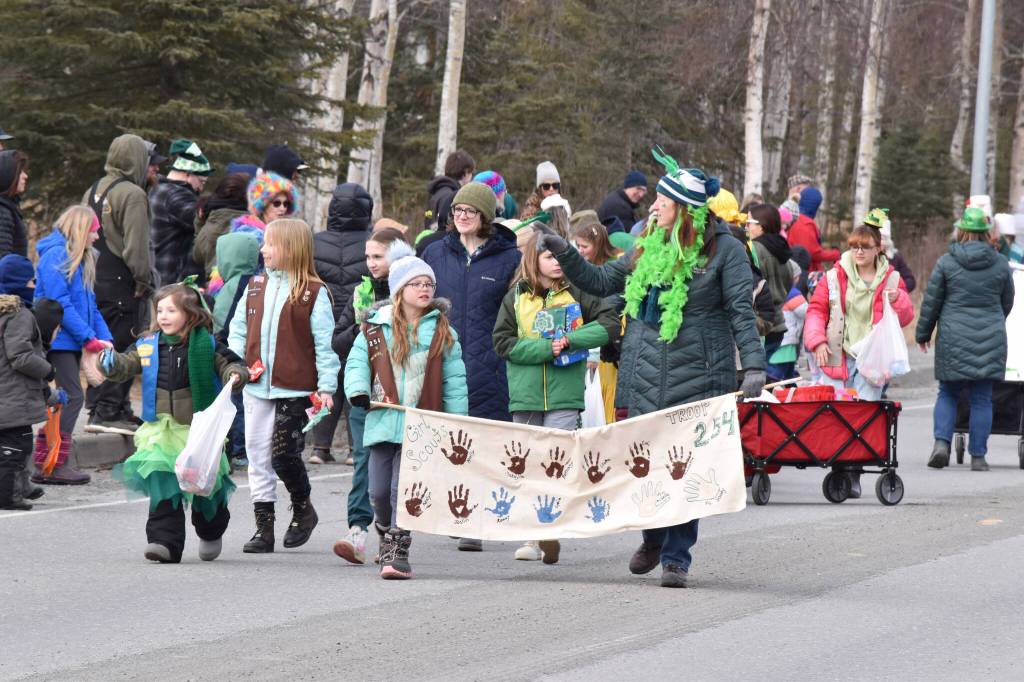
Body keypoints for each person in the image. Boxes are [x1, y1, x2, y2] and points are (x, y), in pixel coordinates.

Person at [535, 148, 766, 588]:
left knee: (685, 467)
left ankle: (677, 556)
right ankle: (654, 537)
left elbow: (740, 310)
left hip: (698, 372)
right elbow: (603, 282)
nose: (654, 206)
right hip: (642, 372)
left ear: (683, 209)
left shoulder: (726, 252)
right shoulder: (645, 245)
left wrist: (753, 365)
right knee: (644, 462)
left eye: (663, 201)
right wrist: (565, 252)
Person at [493, 232, 619, 563]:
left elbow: (609, 324)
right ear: (533, 260)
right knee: (528, 465)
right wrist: (544, 349)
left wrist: (572, 340)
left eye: (562, 257)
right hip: (526, 395)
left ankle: (546, 529)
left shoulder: (579, 292)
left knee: (554, 461)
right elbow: (503, 342)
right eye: (550, 257)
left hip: (565, 395)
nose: (557, 263)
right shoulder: (516, 297)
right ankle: (531, 537)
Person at [101, 283, 247, 563]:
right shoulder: (146, 345)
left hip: (197, 430)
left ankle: (211, 529)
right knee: (163, 484)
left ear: (190, 314)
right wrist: (110, 365)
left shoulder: (207, 344)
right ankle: (164, 542)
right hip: (160, 430)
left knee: (205, 489)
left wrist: (235, 375)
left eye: (171, 310)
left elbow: (231, 364)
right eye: (160, 310)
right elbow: (125, 365)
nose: (164, 316)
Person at [344, 256, 467, 579]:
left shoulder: (443, 331)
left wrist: (457, 423)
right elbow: (357, 363)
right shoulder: (374, 329)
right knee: (378, 492)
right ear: (400, 289)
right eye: (417, 283)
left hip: (422, 424)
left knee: (404, 489)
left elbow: (454, 381)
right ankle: (385, 530)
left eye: (429, 284)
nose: (425, 289)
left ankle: (398, 549)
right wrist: (357, 390)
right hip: (384, 419)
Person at [227, 219, 340, 554]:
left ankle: (303, 508)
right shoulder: (255, 286)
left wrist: (326, 387)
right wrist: (236, 364)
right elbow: (238, 329)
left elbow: (324, 346)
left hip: (296, 388)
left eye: (270, 244)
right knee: (257, 454)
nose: (263, 250)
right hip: (256, 383)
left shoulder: (313, 293)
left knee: (283, 454)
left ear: (291, 249)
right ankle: (264, 527)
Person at [422, 181, 520, 552]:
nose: (462, 216)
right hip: (443, 358)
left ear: (485, 218)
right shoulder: (434, 253)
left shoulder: (508, 258)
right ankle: (452, 509)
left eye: (470, 211)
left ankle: (475, 520)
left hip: (489, 362)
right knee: (447, 441)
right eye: (458, 211)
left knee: (481, 445)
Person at [803, 225, 914, 495]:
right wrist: (816, 341)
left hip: (873, 356)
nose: (859, 252)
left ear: (878, 249)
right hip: (837, 353)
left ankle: (853, 473)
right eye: (854, 246)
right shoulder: (834, 276)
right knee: (837, 415)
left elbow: (907, 315)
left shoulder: (891, 278)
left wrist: (898, 298)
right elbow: (816, 310)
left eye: (865, 247)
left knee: (863, 415)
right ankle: (840, 468)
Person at [330, 228, 412, 565]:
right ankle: (358, 529)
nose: (371, 263)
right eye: (368, 257)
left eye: (378, 256)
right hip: (367, 396)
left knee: (396, 471)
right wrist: (360, 328)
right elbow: (338, 341)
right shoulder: (360, 292)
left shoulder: (412, 296)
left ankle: (391, 535)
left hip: (403, 397)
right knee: (364, 461)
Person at [917, 207, 1015, 472]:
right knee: (982, 398)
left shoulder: (946, 262)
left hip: (953, 336)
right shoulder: (1000, 264)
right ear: (986, 234)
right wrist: (992, 321)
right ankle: (979, 456)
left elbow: (931, 303)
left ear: (960, 230)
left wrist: (923, 334)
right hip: (990, 335)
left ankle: (941, 444)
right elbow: (1008, 302)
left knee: (948, 392)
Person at [33, 206, 116, 484]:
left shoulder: (80, 259)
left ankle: (48, 460)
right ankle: (55, 463)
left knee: (66, 397)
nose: (96, 236)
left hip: (71, 337)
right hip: (59, 338)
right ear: (81, 229)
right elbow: (60, 304)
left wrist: (105, 337)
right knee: (71, 396)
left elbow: (90, 304)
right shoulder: (57, 255)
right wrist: (88, 338)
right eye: (93, 230)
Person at [82, 134, 153, 435]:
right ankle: (109, 410)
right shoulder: (133, 194)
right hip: (124, 280)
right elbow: (137, 246)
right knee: (125, 344)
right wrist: (144, 280)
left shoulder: (92, 190)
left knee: (103, 343)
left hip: (96, 276)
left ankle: (104, 406)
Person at [310, 182, 374, 464]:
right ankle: (352, 449)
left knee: (327, 380)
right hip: (358, 322)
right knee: (356, 378)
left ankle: (320, 448)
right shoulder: (372, 244)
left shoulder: (316, 241)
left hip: (324, 320)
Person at [0, 291, 62, 510]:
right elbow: (20, 357)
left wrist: (49, 394)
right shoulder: (21, 316)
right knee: (17, 446)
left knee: (13, 445)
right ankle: (8, 496)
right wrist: (49, 371)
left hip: (10, 396)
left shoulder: (10, 316)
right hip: (11, 400)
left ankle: (21, 487)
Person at [211, 232, 261, 470]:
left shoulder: (234, 285)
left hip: (233, 351)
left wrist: (215, 340)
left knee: (235, 401)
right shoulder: (256, 280)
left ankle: (239, 449)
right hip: (252, 349)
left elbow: (222, 319)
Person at [150, 139, 214, 288]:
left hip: (160, 277)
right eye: (201, 181)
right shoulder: (178, 196)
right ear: (188, 174)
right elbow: (200, 219)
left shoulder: (158, 188)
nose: (201, 188)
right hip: (173, 284)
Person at [747, 204, 796, 380]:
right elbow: (792, 277)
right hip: (778, 322)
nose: (746, 226)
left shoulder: (755, 249)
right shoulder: (782, 249)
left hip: (759, 322)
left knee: (755, 380)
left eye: (749, 222)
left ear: (761, 225)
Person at [192, 173, 251, 280]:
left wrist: (200, 223)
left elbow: (198, 255)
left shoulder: (211, 220)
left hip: (213, 285)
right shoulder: (253, 227)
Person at [418, 150, 475, 256]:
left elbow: (428, 215)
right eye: (471, 173)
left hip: (430, 243)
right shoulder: (452, 196)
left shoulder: (435, 191)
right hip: (442, 249)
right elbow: (445, 226)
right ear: (466, 172)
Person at [226, 170, 299, 248]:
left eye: (286, 204)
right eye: (276, 203)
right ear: (263, 206)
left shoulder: (287, 235)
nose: (282, 208)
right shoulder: (249, 235)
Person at [863, 207, 916, 293]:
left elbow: (910, 281)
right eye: (876, 238)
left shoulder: (895, 258)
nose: (879, 242)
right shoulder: (862, 256)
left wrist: (896, 292)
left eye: (882, 239)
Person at [787, 187, 838, 272]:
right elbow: (813, 254)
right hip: (804, 274)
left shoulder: (794, 217)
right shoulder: (804, 224)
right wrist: (835, 254)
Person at [0, 149, 29, 259]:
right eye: (20, 172)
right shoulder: (2, 212)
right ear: (8, 174)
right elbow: (3, 261)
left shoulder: (9, 207)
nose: (25, 176)